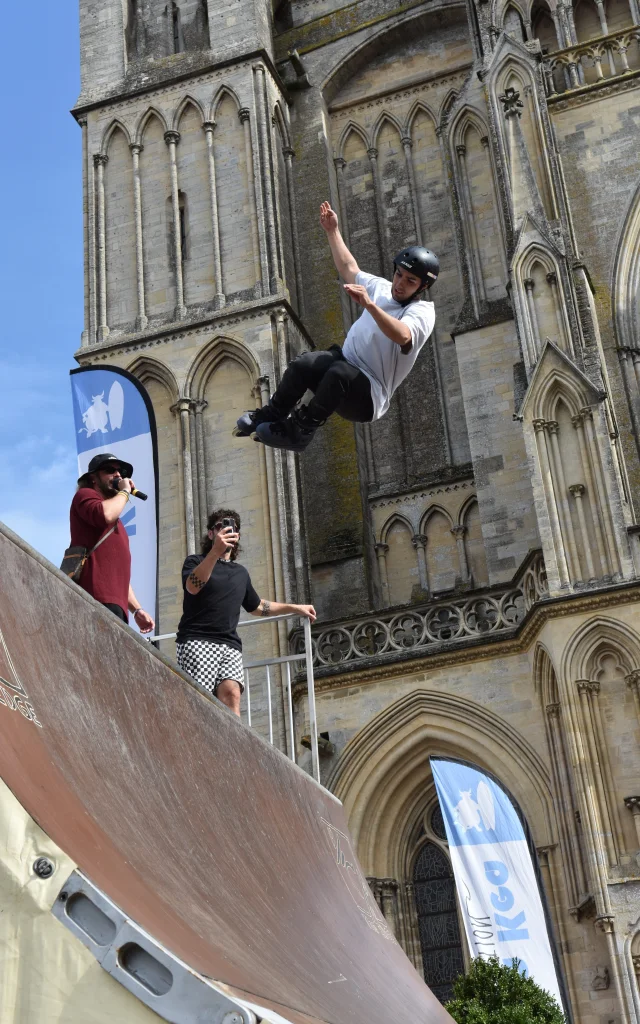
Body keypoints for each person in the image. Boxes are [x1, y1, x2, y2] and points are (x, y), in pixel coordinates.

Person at [233, 200, 439, 452]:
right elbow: (349, 268)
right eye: (398, 275)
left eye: (410, 281)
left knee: (339, 372)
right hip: (343, 365)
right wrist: (332, 231)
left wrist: (369, 305)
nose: (399, 284)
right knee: (304, 364)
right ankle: (272, 414)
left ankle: (300, 432)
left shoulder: (422, 312)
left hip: (367, 397)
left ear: (422, 287)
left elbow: (403, 335)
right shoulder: (382, 288)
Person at [176, 509, 316, 716]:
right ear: (211, 534)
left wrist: (294, 608)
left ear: (237, 535)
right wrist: (215, 553)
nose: (225, 531)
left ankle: (231, 746)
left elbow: (257, 606)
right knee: (199, 701)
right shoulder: (195, 561)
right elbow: (193, 586)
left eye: (231, 527)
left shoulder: (240, 573)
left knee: (232, 694)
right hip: (198, 640)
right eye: (219, 527)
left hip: (229, 644)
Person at [69, 452, 155, 632]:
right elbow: (105, 514)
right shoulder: (85, 495)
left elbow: (118, 573)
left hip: (118, 606)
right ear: (93, 478)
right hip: (95, 598)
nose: (118, 475)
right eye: (110, 470)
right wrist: (124, 491)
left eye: (121, 472)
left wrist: (136, 609)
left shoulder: (118, 524)